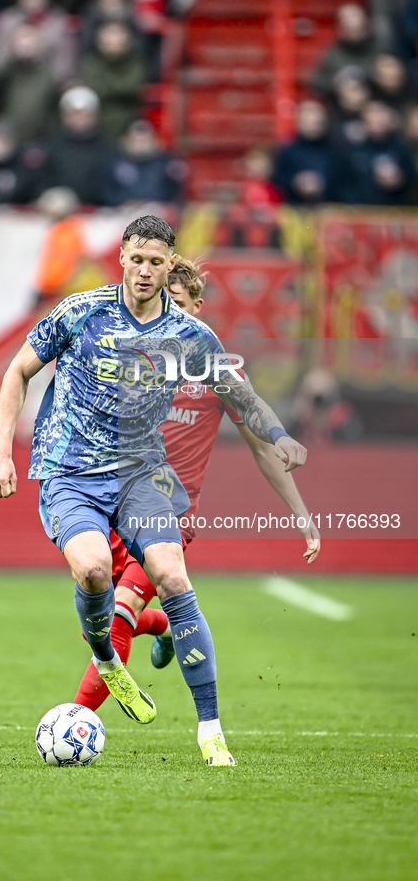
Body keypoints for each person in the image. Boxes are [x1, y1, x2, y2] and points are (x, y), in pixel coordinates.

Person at [0, 214, 308, 767]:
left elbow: (244, 398)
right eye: (136, 259)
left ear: (169, 265)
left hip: (140, 478)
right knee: (89, 571)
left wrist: (280, 435)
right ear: (123, 258)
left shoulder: (190, 336)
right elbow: (18, 370)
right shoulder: (81, 312)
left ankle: (211, 732)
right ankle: (107, 658)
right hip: (71, 471)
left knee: (172, 574)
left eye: (156, 262)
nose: (144, 270)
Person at [73, 256, 320, 712]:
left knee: (118, 620)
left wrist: (302, 514)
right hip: (117, 505)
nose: (170, 312)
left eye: (180, 304)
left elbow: (261, 448)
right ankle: (164, 627)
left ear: (199, 307)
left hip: (169, 515)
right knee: (104, 611)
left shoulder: (217, 372)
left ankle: (76, 721)